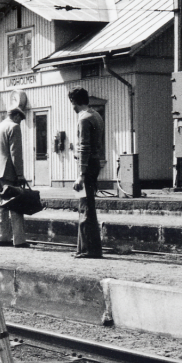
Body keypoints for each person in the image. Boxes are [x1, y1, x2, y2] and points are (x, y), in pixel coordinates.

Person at [0, 106, 29, 248]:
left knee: (1, 205)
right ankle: (19, 240)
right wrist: (20, 174)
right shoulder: (14, 127)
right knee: (16, 205)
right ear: (16, 116)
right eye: (21, 119)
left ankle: (2, 238)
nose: (20, 122)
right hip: (9, 173)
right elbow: (16, 153)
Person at [69, 87, 104, 259]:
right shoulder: (97, 115)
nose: (72, 107)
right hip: (95, 164)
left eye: (72, 103)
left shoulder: (83, 119)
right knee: (89, 206)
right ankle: (88, 247)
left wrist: (81, 174)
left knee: (84, 207)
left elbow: (84, 147)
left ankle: (87, 250)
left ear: (74, 102)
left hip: (87, 167)